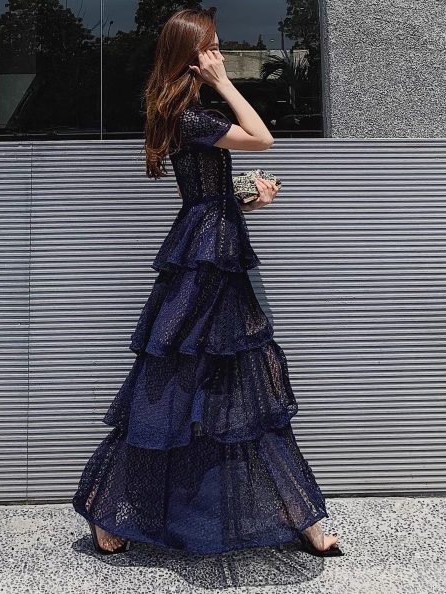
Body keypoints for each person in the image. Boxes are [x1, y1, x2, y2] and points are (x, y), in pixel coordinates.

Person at [72, 8, 343, 558]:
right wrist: (225, 82)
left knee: (244, 385)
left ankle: (302, 517)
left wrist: (248, 200)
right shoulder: (189, 115)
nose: (219, 54)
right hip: (206, 259)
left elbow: (202, 196)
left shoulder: (183, 113)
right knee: (174, 384)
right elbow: (262, 138)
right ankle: (109, 507)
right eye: (211, 47)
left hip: (216, 249)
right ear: (190, 55)